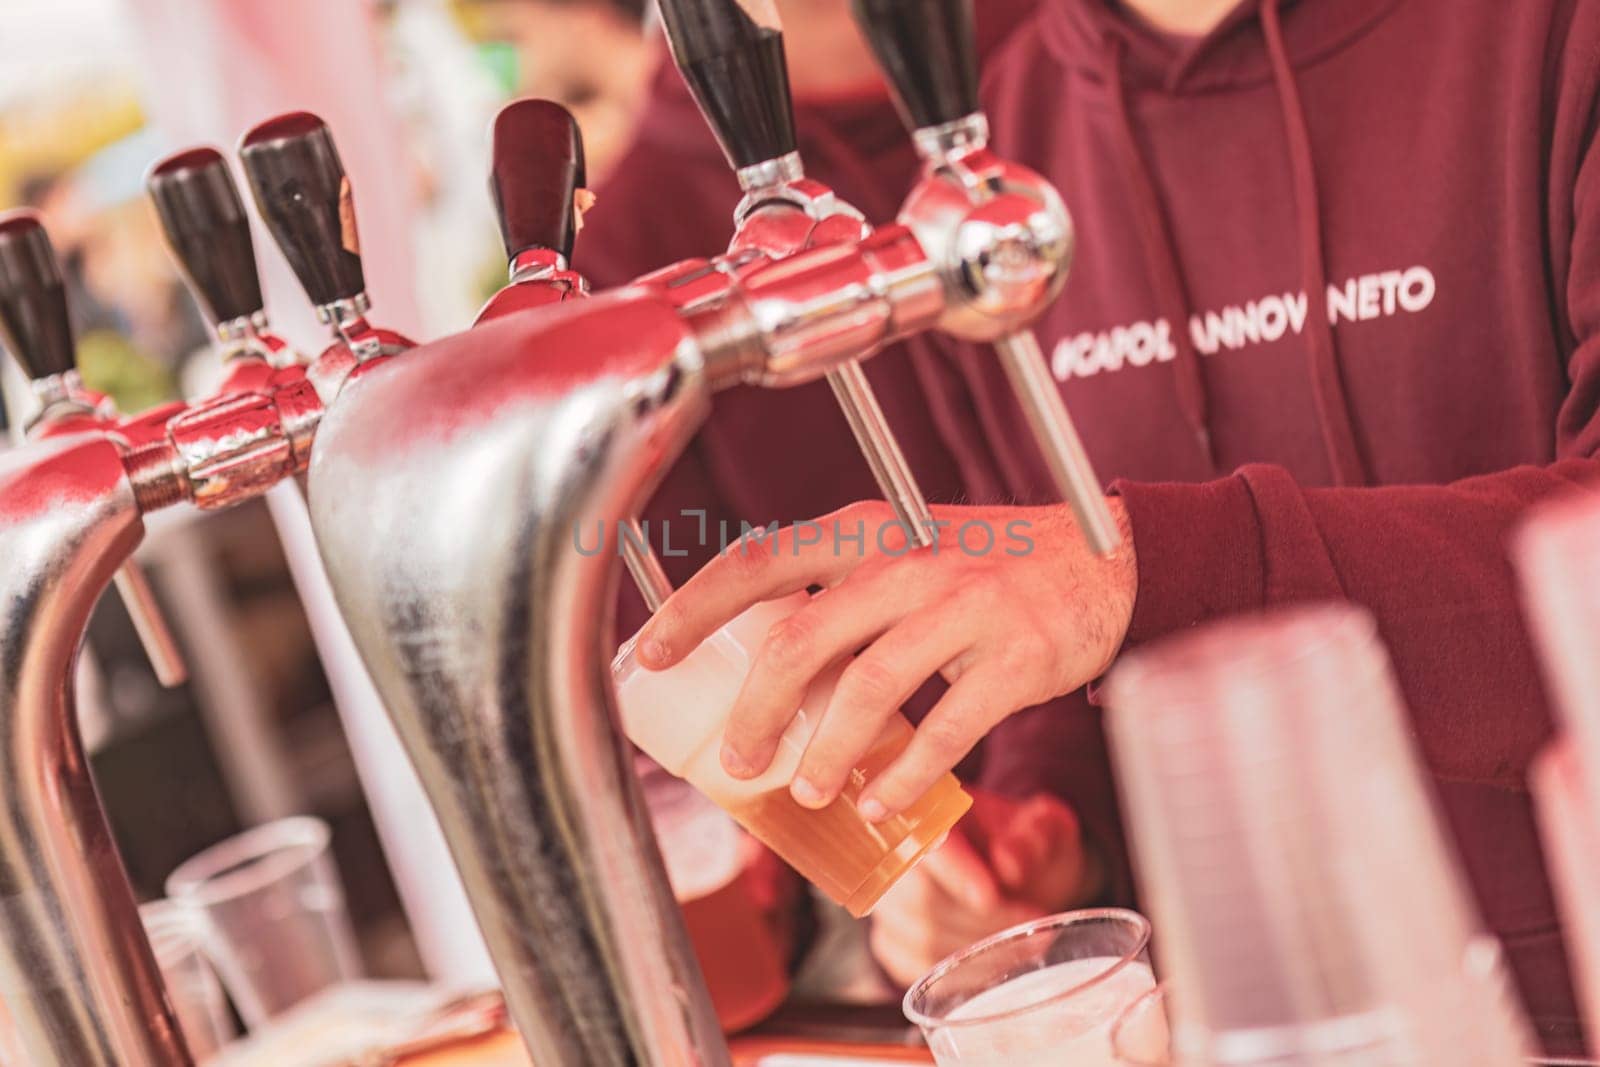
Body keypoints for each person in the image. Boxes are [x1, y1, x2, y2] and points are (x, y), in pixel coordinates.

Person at [633, 0, 1600, 1053]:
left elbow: (1108, 580)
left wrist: (1127, 572)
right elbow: (1065, 613)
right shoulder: (994, 152)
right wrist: (1048, 831)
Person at [576, 0, 1094, 995]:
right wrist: (924, 870)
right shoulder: (636, 244)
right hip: (966, 895)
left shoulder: (1071, 68)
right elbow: (694, 665)